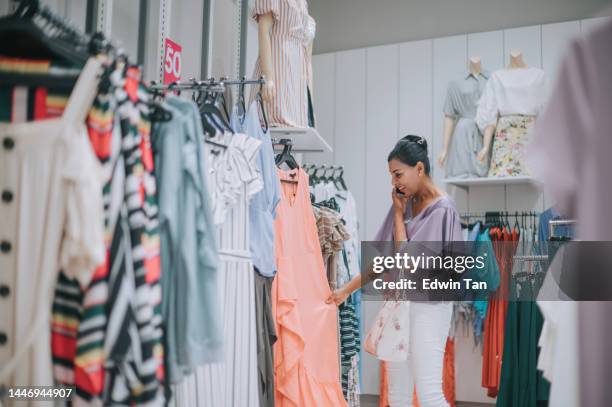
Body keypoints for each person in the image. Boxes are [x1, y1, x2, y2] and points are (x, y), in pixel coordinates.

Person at [327, 135, 462, 407]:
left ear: (420, 169)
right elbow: (384, 260)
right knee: (397, 395)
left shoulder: (443, 210)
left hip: (429, 307)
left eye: (398, 174)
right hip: (399, 306)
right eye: (391, 175)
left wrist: (399, 216)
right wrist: (345, 291)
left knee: (430, 395)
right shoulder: (404, 203)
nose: (394, 183)